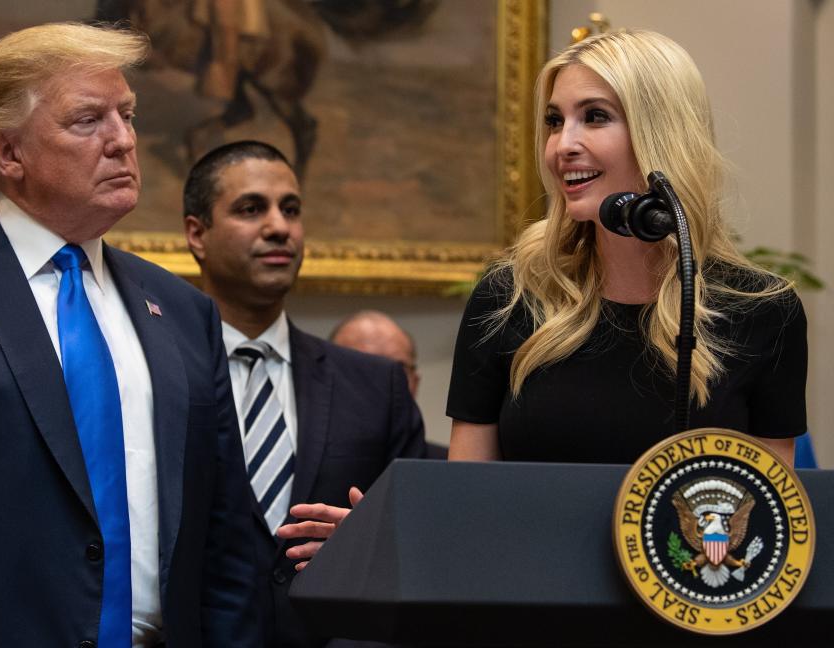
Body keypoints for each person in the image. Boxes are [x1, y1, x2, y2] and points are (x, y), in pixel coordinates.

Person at [279, 29, 807, 568]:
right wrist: (396, 534)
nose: (562, 145)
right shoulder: (509, 296)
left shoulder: (763, 310)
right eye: (554, 120)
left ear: (661, 130)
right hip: (529, 603)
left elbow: (763, 536)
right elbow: (470, 505)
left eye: (594, 116)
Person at [0, 23, 258, 647]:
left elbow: (226, 545)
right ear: (7, 153)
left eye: (127, 115)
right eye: (88, 120)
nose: (124, 141)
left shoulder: (184, 311)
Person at [183, 140, 426, 648]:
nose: (279, 227)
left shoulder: (376, 385)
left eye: (290, 209)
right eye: (252, 209)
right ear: (196, 233)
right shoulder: (155, 372)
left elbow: (417, 551)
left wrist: (365, 543)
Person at [330, 310, 448, 459]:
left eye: (398, 369)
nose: (383, 383)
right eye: (361, 366)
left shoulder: (448, 467)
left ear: (415, 382)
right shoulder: (299, 463)